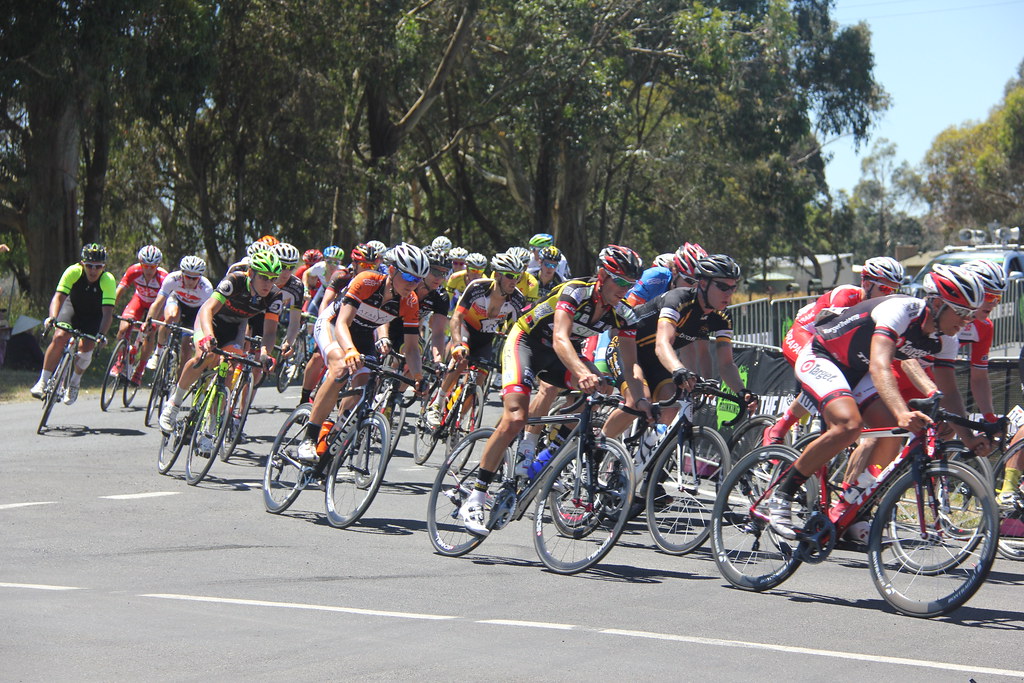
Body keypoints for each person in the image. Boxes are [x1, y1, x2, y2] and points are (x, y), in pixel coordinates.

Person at [767, 264, 986, 539]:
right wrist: (901, 411)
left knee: (893, 433)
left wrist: (970, 438)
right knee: (849, 425)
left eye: (971, 315)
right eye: (962, 313)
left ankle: (847, 506)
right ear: (939, 303)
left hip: (858, 370)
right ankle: (782, 494)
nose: (966, 322)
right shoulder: (900, 311)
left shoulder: (946, 338)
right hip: (824, 355)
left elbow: (950, 391)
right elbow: (880, 366)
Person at [456, 245, 652, 536]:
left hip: (558, 354)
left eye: (630, 284)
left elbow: (630, 364)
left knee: (598, 392)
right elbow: (560, 338)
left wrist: (639, 399)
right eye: (619, 281)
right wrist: (582, 372)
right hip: (527, 343)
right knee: (514, 418)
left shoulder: (624, 314)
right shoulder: (576, 291)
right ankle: (476, 495)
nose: (624, 289)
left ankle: (546, 457)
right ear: (602, 276)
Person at [295, 243, 429, 463]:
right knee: (340, 368)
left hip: (364, 334)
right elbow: (342, 323)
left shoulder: (410, 301)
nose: (412, 284)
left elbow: (412, 347)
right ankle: (309, 438)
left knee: (364, 383)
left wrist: (417, 377)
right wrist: (348, 351)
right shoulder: (367, 280)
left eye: (417, 280)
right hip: (333, 325)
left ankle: (333, 435)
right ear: (392, 270)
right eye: (408, 276)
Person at [602, 254, 752, 438]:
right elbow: (662, 343)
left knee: (672, 403)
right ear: (703, 284)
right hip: (627, 349)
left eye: (733, 288)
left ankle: (646, 458)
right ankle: (598, 447)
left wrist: (742, 391)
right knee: (638, 399)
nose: (728, 294)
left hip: (656, 361)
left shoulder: (722, 318)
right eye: (722, 287)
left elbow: (727, 364)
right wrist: (679, 369)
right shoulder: (678, 299)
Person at [763, 256, 906, 445]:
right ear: (866, 283)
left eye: (894, 290)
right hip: (805, 335)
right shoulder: (846, 295)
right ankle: (779, 429)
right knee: (824, 376)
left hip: (830, 345)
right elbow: (830, 336)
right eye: (885, 289)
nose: (889, 296)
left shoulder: (885, 311)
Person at [158, 251, 284, 433]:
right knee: (205, 356)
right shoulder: (234, 281)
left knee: (231, 368)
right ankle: (173, 405)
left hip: (236, 327)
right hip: (211, 320)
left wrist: (266, 353)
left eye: (273, 279)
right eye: (264, 277)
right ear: (251, 273)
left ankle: (211, 427)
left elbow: (270, 331)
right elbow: (208, 309)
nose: (268, 283)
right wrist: (208, 336)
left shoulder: (274, 295)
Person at [425, 252, 526, 428]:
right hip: (466, 330)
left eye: (518, 277)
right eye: (510, 276)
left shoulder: (517, 299)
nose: (515, 281)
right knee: (461, 360)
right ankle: (437, 404)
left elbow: (517, 334)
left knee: (480, 379)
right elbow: (456, 318)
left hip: (486, 339)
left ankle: (458, 423)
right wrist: (457, 344)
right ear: (497, 274)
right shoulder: (477, 287)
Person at [30, 243, 116, 404]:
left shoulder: (108, 280)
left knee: (86, 349)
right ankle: (43, 381)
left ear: (103, 267)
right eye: (89, 265)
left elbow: (107, 313)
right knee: (59, 336)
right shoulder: (73, 271)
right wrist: (52, 318)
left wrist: (102, 335)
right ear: (82, 264)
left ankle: (75, 382)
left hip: (94, 316)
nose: (93, 270)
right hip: (73, 309)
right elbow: (59, 297)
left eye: (98, 267)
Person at [143, 255, 214, 373]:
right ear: (182, 274)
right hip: (177, 302)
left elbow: (206, 314)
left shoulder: (206, 288)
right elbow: (158, 302)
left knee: (186, 353)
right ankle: (158, 353)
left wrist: (199, 333)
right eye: (188, 277)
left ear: (200, 277)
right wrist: (148, 321)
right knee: (171, 317)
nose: (190, 281)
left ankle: (177, 384)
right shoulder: (172, 279)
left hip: (195, 312)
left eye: (194, 278)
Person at [111, 245, 168, 386]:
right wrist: (109, 308)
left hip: (157, 305)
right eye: (145, 266)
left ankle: (139, 370)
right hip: (139, 301)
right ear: (140, 263)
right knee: (123, 328)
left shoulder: (163, 277)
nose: (149, 270)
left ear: (158, 265)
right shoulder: (133, 270)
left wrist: (152, 322)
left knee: (150, 332)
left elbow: (164, 303)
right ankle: (120, 360)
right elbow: (119, 291)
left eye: (152, 266)